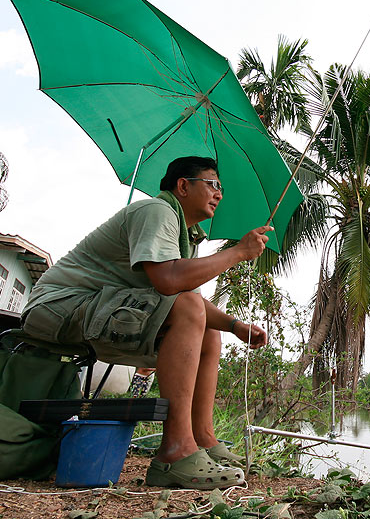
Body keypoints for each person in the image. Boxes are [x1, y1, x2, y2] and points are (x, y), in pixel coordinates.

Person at [21, 156, 270, 489]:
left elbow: (186, 299)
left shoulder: (184, 233)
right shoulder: (157, 211)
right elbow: (169, 281)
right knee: (189, 308)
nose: (219, 194)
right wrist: (238, 252)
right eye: (213, 184)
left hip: (93, 308)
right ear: (183, 185)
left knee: (209, 330)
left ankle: (203, 439)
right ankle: (175, 453)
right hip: (58, 307)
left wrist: (234, 325)